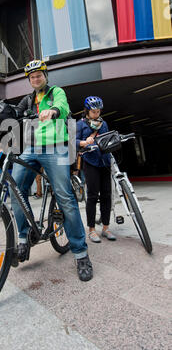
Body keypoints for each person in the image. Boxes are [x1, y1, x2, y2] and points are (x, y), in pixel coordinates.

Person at [10, 59, 93, 282]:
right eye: (32, 77)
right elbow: (14, 115)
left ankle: (80, 253)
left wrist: (54, 111)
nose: (35, 79)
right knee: (14, 191)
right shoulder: (27, 100)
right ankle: (24, 237)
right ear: (29, 80)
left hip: (56, 147)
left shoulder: (56, 92)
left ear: (45, 76)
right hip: (31, 148)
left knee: (65, 197)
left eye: (39, 75)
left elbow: (63, 107)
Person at [76, 96, 116, 243]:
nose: (96, 114)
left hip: (104, 162)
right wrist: (84, 142)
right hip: (90, 162)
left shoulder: (103, 123)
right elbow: (71, 142)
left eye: (98, 111)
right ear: (87, 111)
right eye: (93, 112)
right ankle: (92, 230)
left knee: (106, 195)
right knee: (92, 196)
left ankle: (106, 228)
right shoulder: (79, 124)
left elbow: (107, 138)